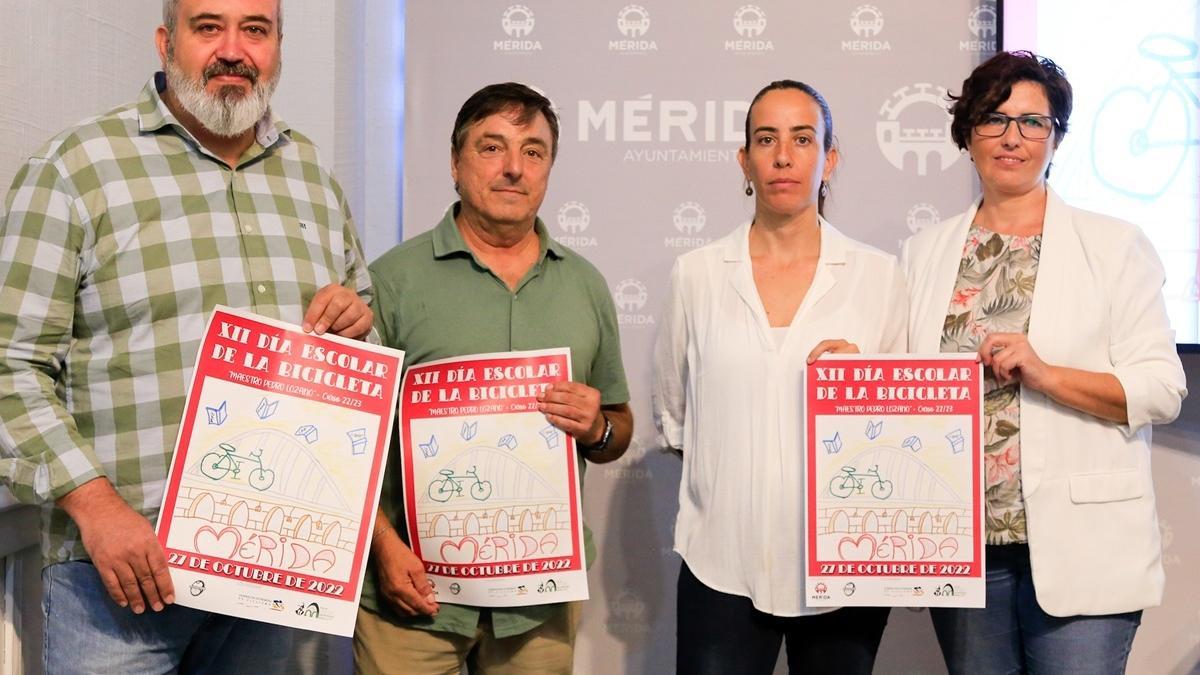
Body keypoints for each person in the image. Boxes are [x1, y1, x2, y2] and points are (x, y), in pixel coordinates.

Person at [0, 1, 374, 672]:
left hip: (270, 577)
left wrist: (356, 322)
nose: (233, 49)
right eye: (209, 27)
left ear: (278, 48)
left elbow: (363, 326)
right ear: (165, 41)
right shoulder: (77, 167)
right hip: (117, 581)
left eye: (254, 30)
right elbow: (10, 363)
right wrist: (96, 504)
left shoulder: (311, 175)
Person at [902, 51, 1187, 674]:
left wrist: (1046, 373)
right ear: (966, 134)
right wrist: (849, 366)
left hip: (1084, 546)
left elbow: (1162, 390)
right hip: (963, 548)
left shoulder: (1115, 245)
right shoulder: (923, 252)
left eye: (1033, 122)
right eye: (993, 118)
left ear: (1056, 138)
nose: (1013, 138)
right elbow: (902, 387)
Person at [356, 82, 633, 675]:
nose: (513, 168)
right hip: (411, 594)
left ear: (549, 170)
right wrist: (382, 546)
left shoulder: (585, 285)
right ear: (455, 164)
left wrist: (597, 429)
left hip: (538, 604)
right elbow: (348, 440)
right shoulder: (390, 282)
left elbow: (618, 428)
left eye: (533, 152)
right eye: (492, 148)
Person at [652, 79, 906, 674]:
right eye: (766, 139)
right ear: (744, 160)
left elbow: (906, 430)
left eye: (803, 138)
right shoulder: (696, 275)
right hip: (722, 560)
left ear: (829, 159)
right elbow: (678, 417)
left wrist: (868, 383)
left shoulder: (879, 276)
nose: (784, 156)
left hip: (846, 566)